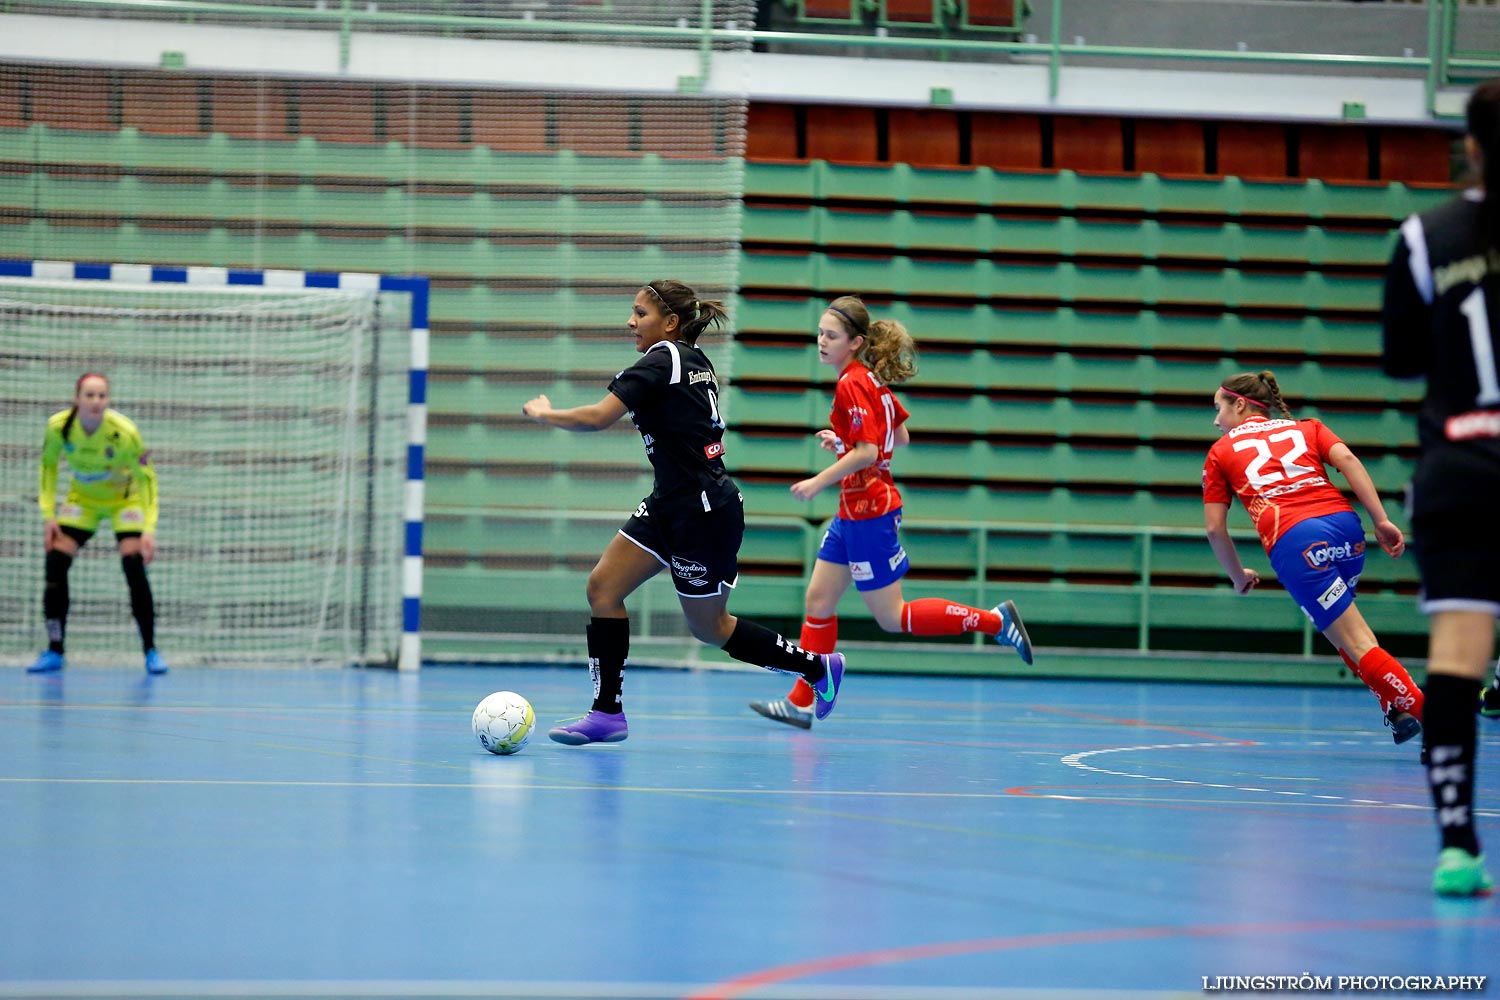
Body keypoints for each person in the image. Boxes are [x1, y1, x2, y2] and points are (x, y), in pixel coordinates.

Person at [521, 280, 844, 744]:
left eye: (640, 313)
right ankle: (607, 713)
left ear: (670, 322)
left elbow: (598, 417)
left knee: (711, 629)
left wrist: (545, 413)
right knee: (603, 588)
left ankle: (817, 666)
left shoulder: (666, 358)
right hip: (668, 503)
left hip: (703, 512)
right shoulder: (691, 361)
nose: (630, 322)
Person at [749, 296, 1033, 729]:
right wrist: (844, 444)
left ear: (855, 342)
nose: (821, 342)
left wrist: (819, 479)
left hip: (869, 514)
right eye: (820, 333)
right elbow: (898, 437)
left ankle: (995, 621)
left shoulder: (852, 383)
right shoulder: (868, 380)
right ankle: (803, 699)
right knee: (818, 601)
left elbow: (869, 451)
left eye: (831, 336)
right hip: (852, 512)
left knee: (892, 616)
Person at [1381, 77, 1500, 897]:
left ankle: (1457, 847)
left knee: (1457, 662)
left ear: (1470, 145)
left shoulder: (1427, 235)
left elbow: (1400, 359)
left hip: (1461, 464)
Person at [1201, 370, 1422, 745]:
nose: (1216, 420)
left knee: (1355, 642)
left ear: (1239, 404)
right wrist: (1381, 520)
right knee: (1346, 635)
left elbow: (1214, 530)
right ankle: (1395, 708)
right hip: (1348, 533)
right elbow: (1349, 461)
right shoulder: (1307, 428)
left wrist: (1237, 576)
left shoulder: (1220, 452)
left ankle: (1432, 718)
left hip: (1296, 541)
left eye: (1218, 409)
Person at [29, 373, 166, 675]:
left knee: (133, 563)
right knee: (55, 562)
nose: (96, 402)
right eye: (90, 395)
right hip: (83, 501)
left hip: (123, 500)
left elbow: (147, 479)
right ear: (77, 398)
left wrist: (149, 529)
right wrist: (48, 515)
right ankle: (54, 649)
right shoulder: (59, 428)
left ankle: (151, 650)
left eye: (102, 396)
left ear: (108, 399)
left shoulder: (124, 432)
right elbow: (48, 468)